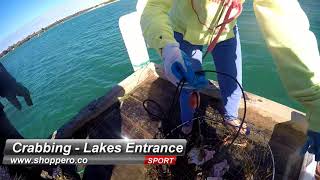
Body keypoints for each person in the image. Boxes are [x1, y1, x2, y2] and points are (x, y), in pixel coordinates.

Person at [140, 0, 320, 161]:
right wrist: (166, 47)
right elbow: (154, 6)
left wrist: (316, 102)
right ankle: (187, 123)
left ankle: (231, 116)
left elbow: (285, 21)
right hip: (183, 29)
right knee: (187, 84)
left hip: (225, 30)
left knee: (233, 81)